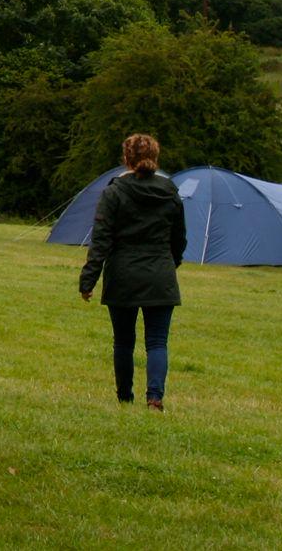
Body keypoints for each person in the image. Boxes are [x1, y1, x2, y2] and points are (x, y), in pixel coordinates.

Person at [78, 133, 187, 411]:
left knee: (124, 341)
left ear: (126, 158)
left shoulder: (113, 193)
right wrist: (170, 263)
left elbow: (101, 240)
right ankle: (155, 397)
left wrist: (88, 280)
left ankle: (125, 398)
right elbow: (180, 238)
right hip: (159, 274)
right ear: (155, 156)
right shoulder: (171, 193)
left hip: (123, 274)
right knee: (157, 341)